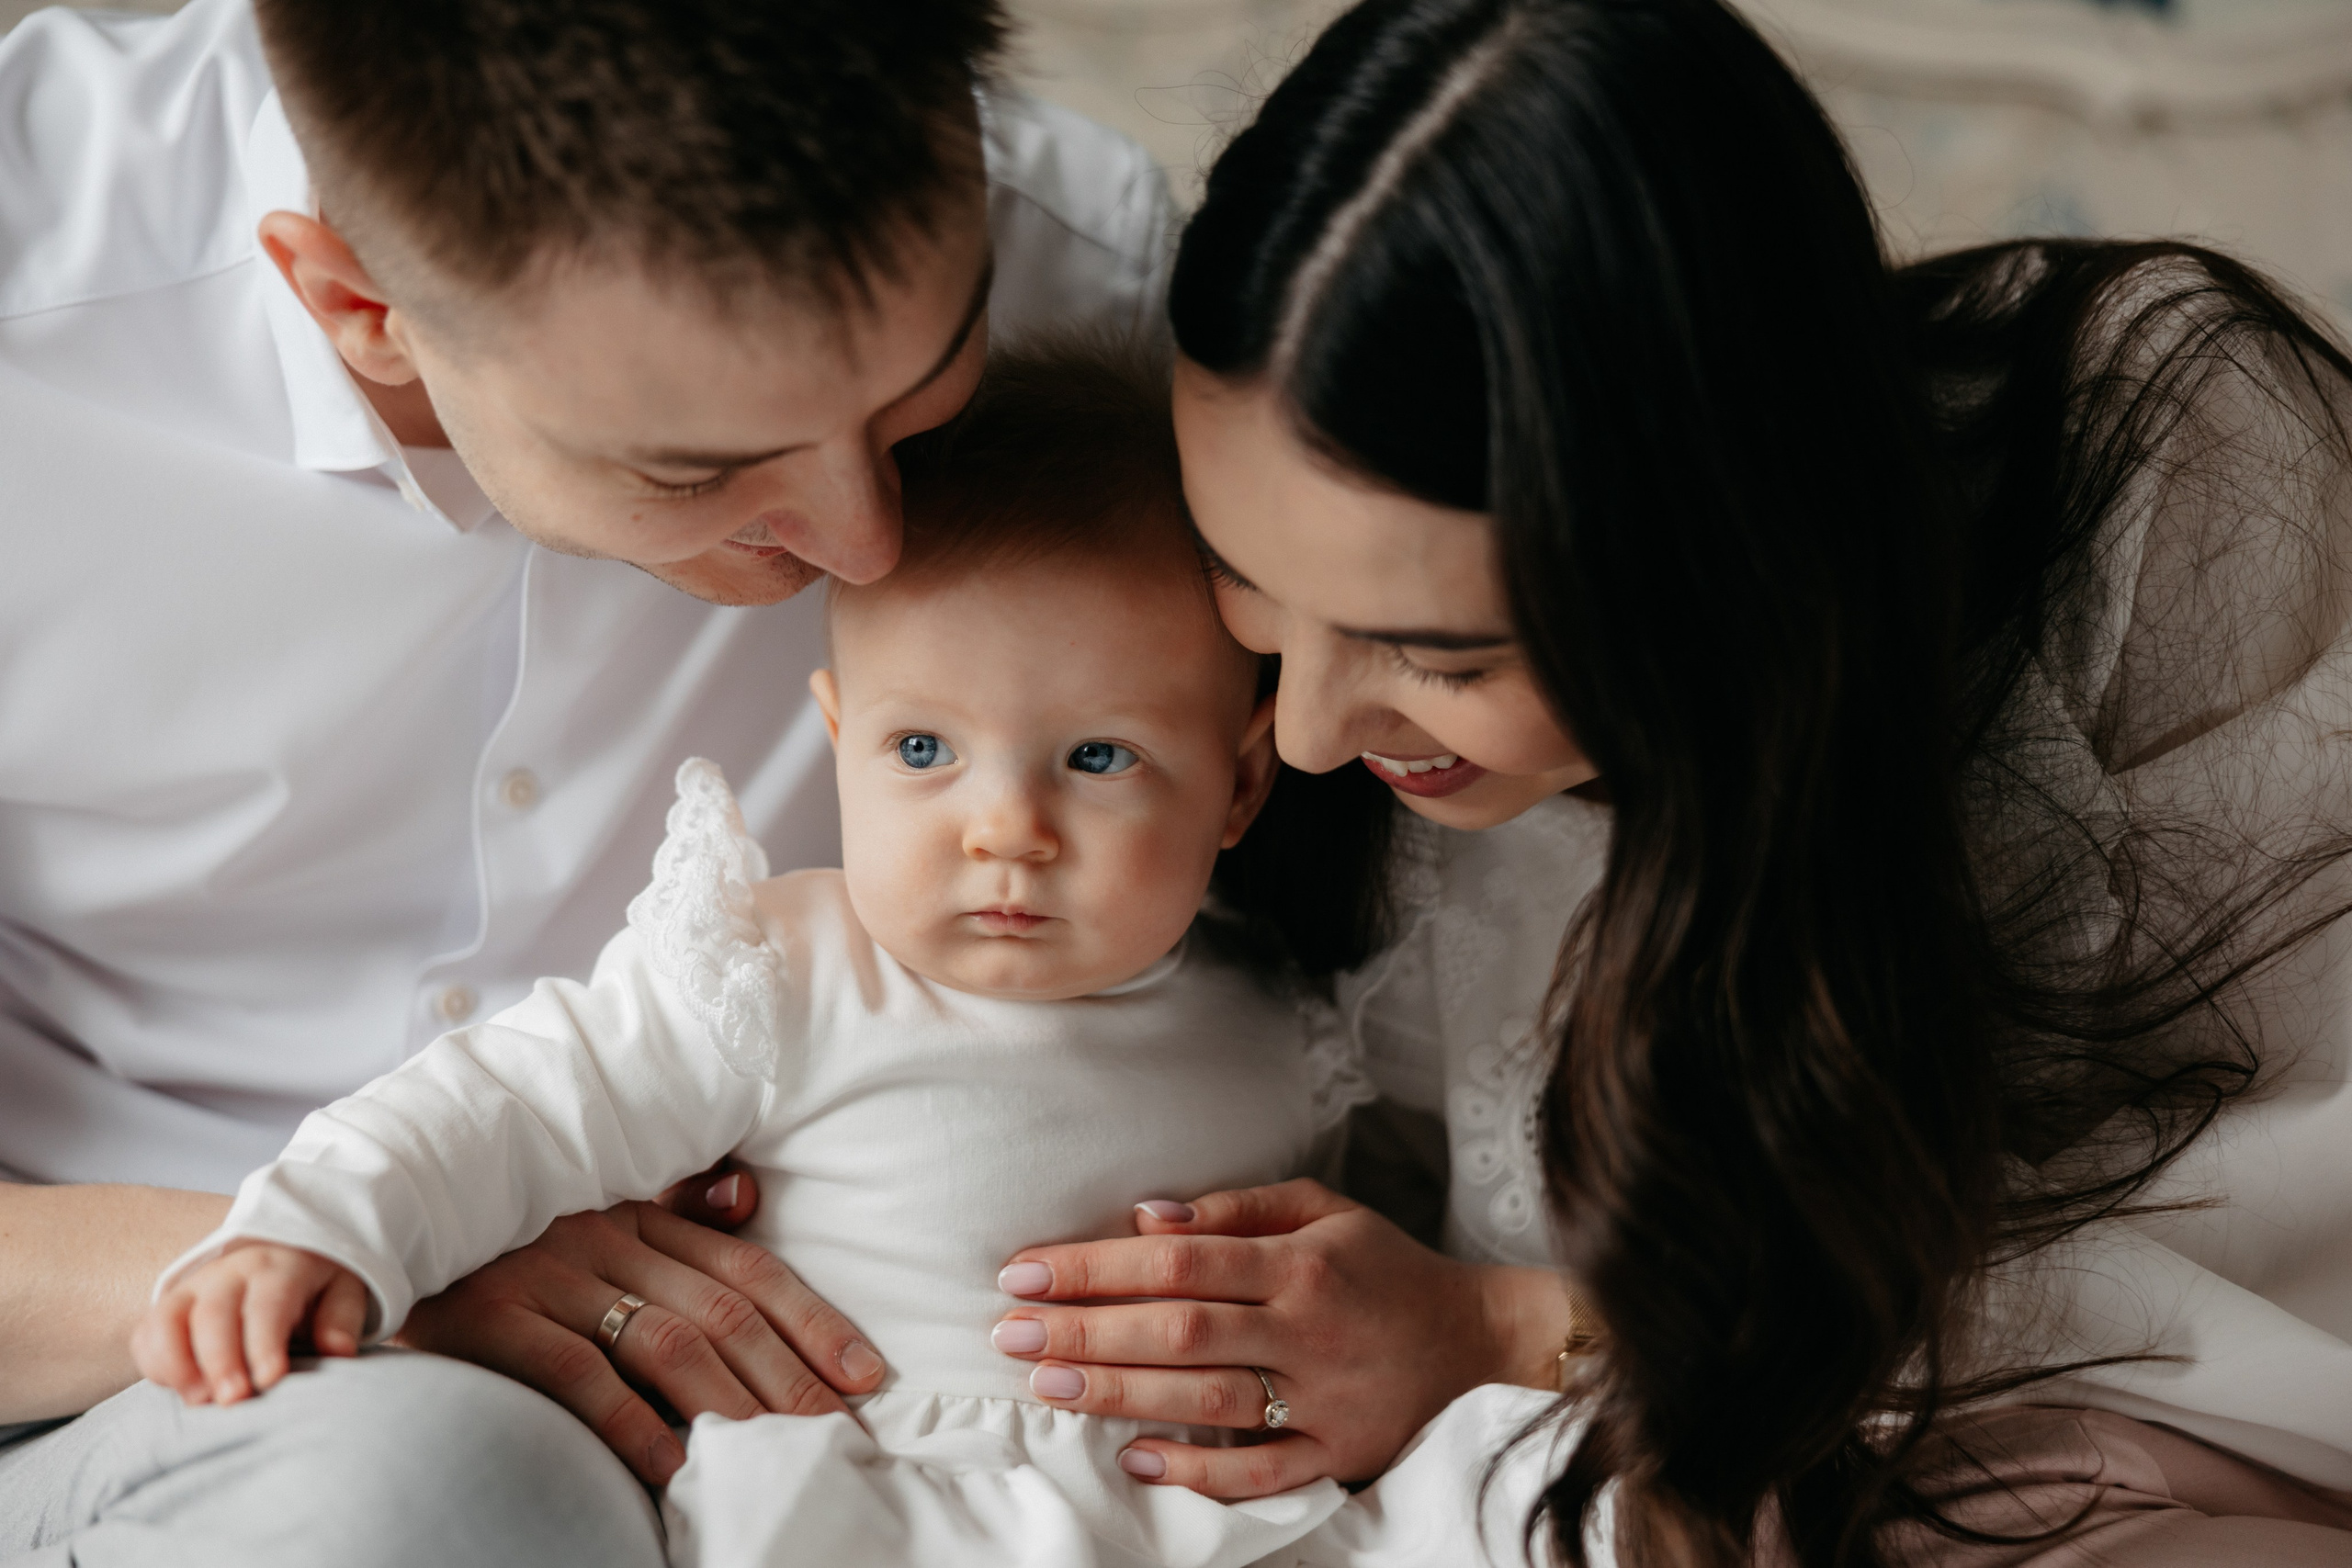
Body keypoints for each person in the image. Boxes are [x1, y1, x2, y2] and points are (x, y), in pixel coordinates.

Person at [984, 0, 2352, 1562]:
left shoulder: (2144, 500)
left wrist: (1509, 1331)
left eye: (1440, 648)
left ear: (1712, 553)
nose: (1301, 737)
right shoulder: (1211, 690)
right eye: (1244, 576)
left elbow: (2243, 1315)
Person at [0, 0, 1169, 1560]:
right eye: (693, 470)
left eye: (924, 389)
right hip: (133, 1395)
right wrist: (352, 1249)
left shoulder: (1106, 276)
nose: (868, 541)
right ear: (357, 302)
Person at [130, 344, 1554, 1568]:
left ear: (1240, 786)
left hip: (1198, 1517)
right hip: (877, 1503)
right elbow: (508, 1104)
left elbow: (1357, 1288)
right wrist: (312, 1230)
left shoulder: (1281, 1011)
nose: (1009, 830)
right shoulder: (783, 971)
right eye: (923, 750)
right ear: (837, 735)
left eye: (1099, 757)